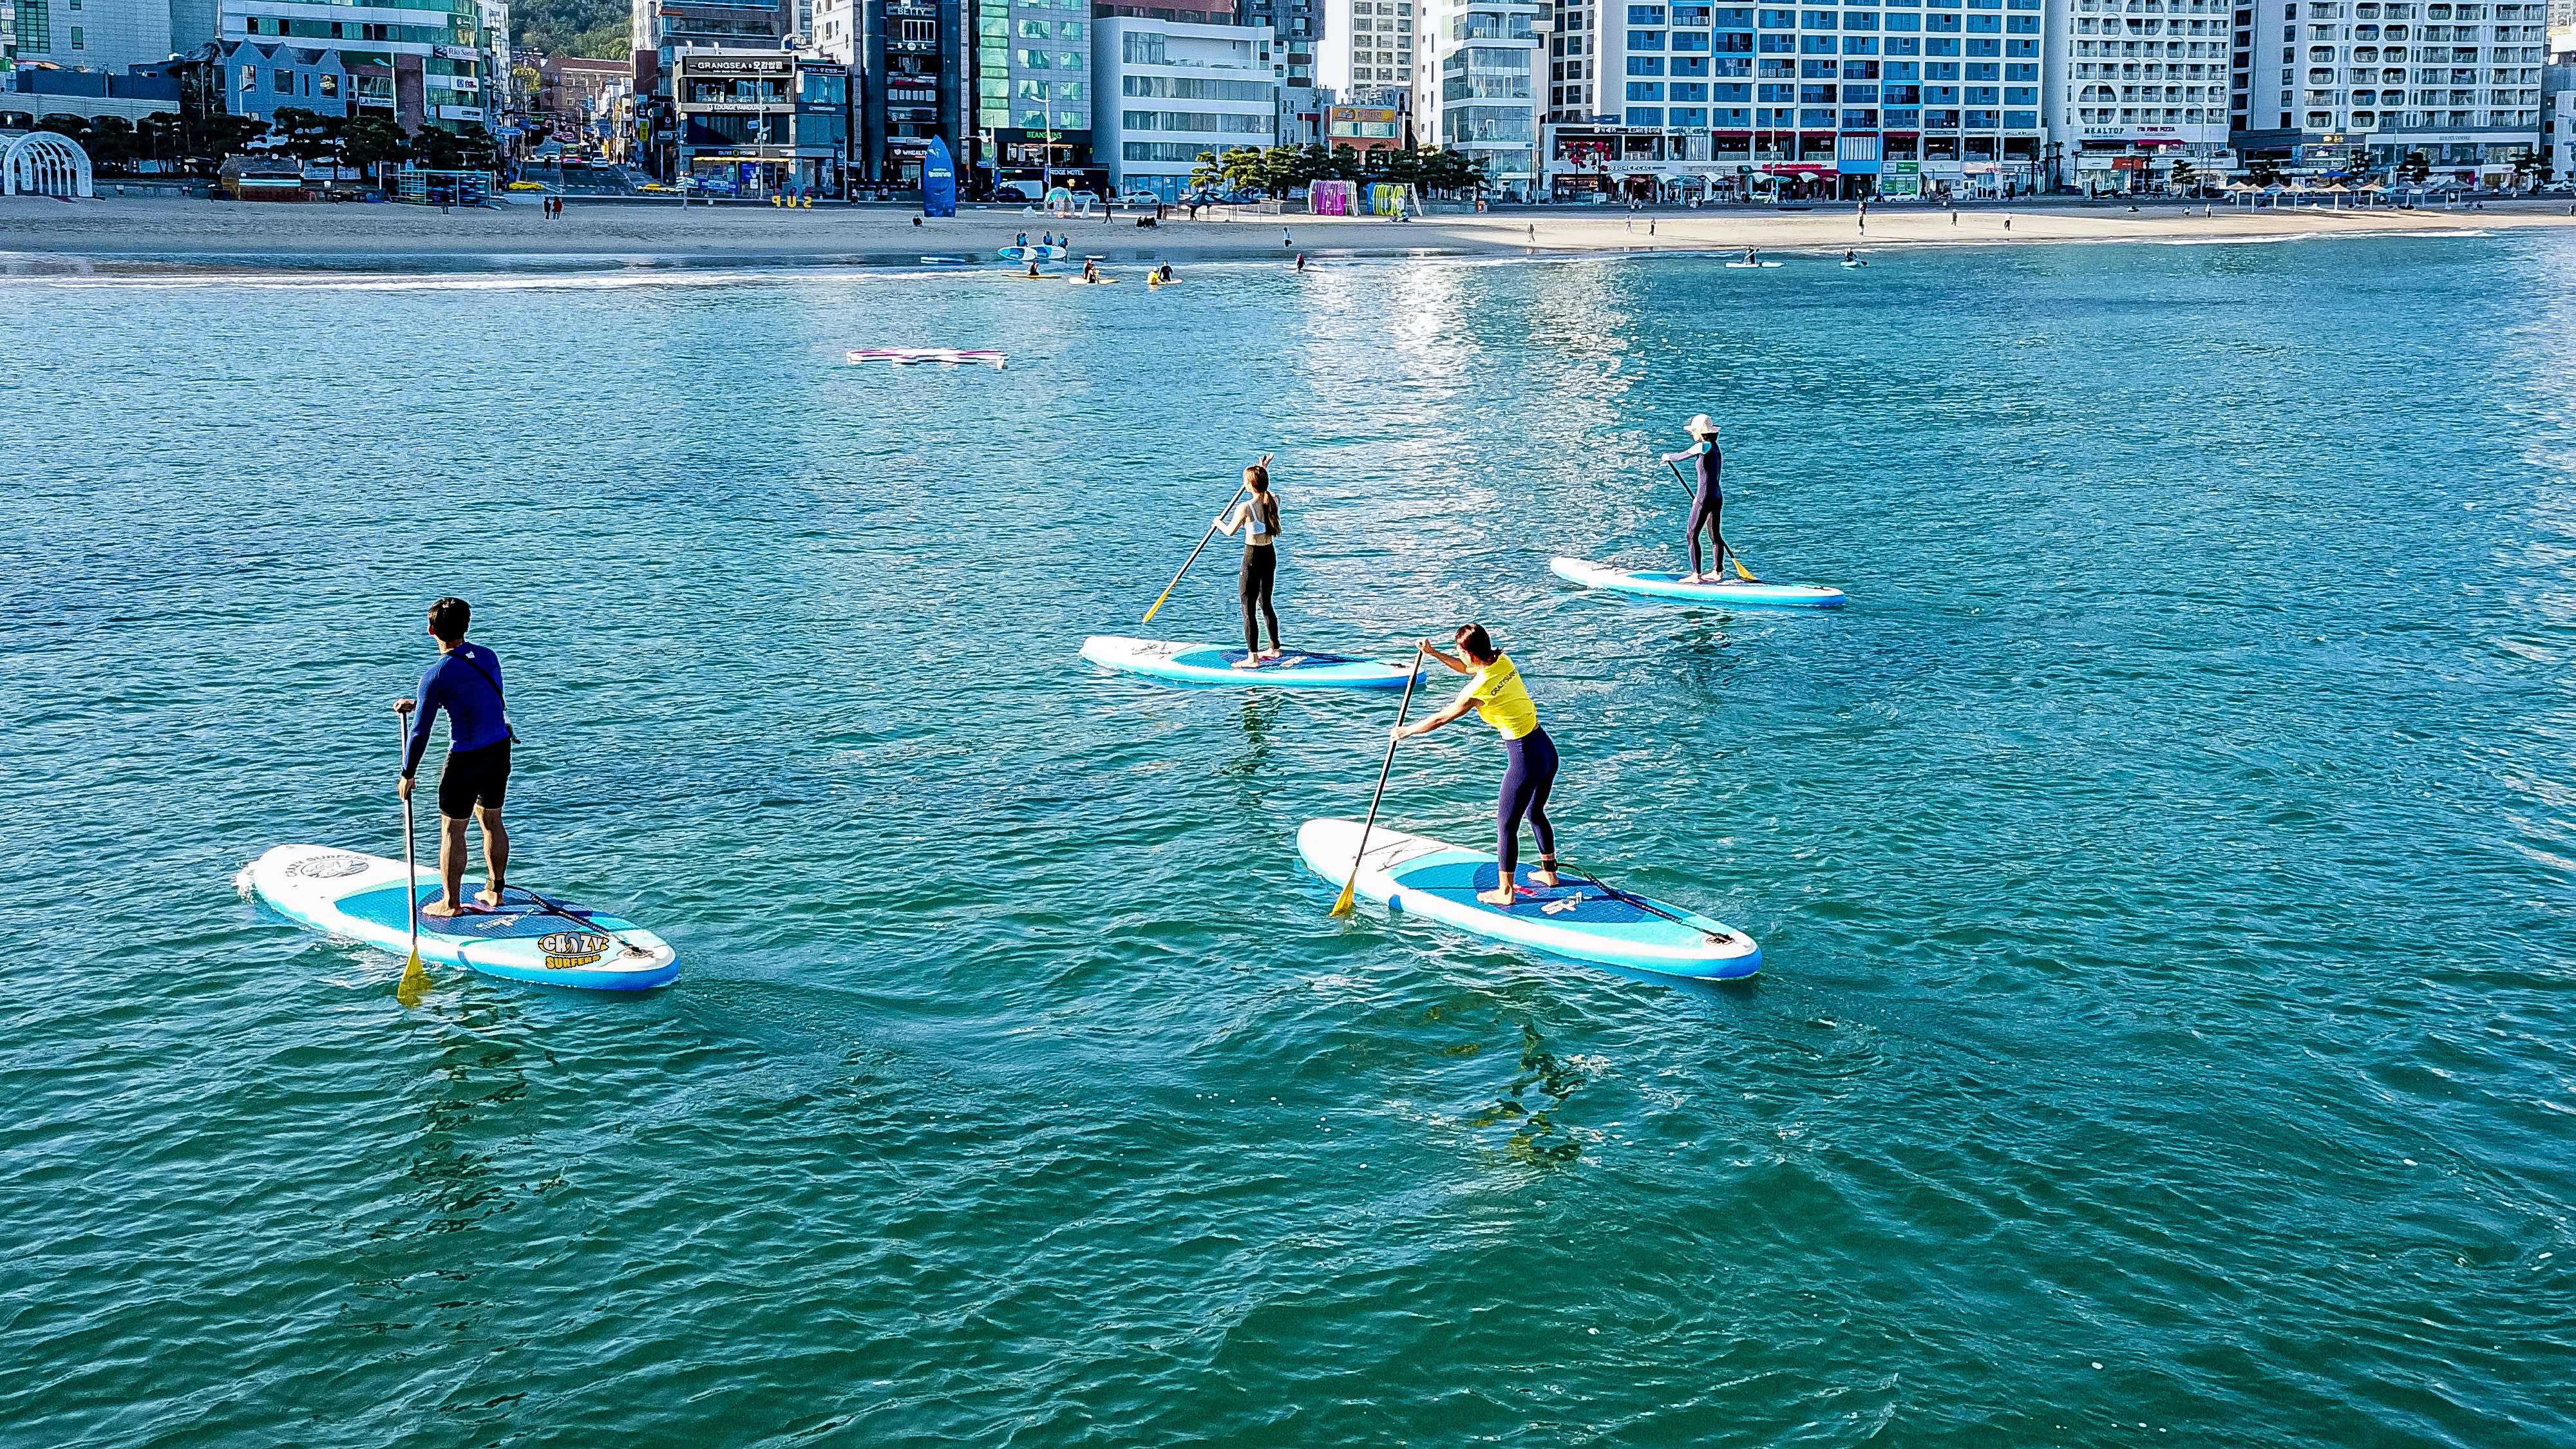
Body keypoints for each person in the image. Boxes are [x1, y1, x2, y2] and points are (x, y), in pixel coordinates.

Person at [1393, 624, 1560, 907]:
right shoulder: (1502, 662)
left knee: (1506, 825)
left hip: (1524, 757)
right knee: (1535, 811)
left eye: (1460, 650)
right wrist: (1433, 654)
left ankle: (1506, 892)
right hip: (1545, 748)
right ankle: (1550, 874)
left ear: (1470, 652)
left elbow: (1441, 718)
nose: (1459, 655)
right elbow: (1467, 668)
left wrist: (1405, 731)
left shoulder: (1477, 689)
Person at [396, 596, 513, 917]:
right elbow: (480, 697)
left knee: (452, 829)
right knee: (492, 821)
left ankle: (451, 904)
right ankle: (495, 891)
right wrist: (421, 702)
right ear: (467, 625)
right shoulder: (488, 657)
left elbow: (420, 732)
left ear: (431, 629)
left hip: (466, 759)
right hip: (500, 748)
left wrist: (408, 773)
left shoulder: (435, 676)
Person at [1213, 458, 1283, 667]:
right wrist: (1262, 470)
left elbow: (1230, 531)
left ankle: (1253, 658)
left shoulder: (1244, 508)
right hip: (1269, 555)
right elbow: (1264, 487)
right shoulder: (1274, 500)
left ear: (1251, 485)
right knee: (1266, 603)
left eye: (1246, 481)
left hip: (1252, 559)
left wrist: (1218, 523)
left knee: (1248, 607)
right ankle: (1274, 648)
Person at [1659, 413, 1728, 582]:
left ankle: (1696, 575)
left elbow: (1680, 456)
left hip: (1704, 499)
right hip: (1716, 497)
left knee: (1691, 534)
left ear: (1700, 432)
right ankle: (1717, 572)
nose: (1692, 434)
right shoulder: (1715, 447)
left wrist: (1666, 456)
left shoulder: (1702, 447)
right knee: (1715, 536)